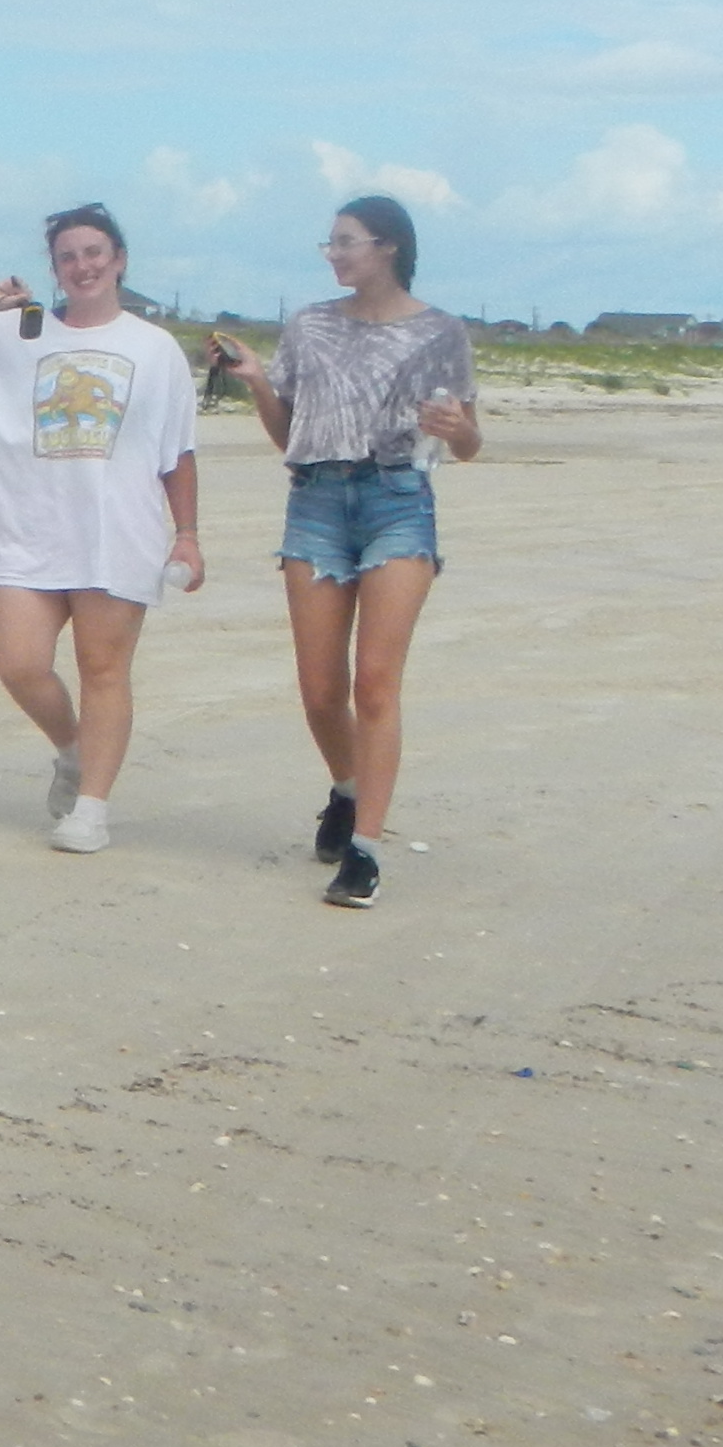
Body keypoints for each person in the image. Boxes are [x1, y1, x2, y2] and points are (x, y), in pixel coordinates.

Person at [203, 192, 480, 911]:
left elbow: (471, 444)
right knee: (321, 690)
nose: (333, 253)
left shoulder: (440, 333)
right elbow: (288, 436)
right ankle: (348, 789)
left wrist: (458, 430)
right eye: (328, 243)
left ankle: (365, 850)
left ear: (387, 246)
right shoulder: (310, 328)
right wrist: (260, 381)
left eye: (345, 241)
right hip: (317, 502)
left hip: (398, 499)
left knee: (375, 682)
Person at [0, 206, 204, 855]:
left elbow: (176, 451)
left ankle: (92, 809)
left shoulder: (153, 348)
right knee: (20, 663)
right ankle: (73, 750)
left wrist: (187, 532)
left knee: (104, 668)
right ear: (55, 268)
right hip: (30, 528)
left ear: (120, 259)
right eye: (70, 256)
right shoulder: (12, 335)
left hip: (117, 530)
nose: (84, 266)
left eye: (95, 252)